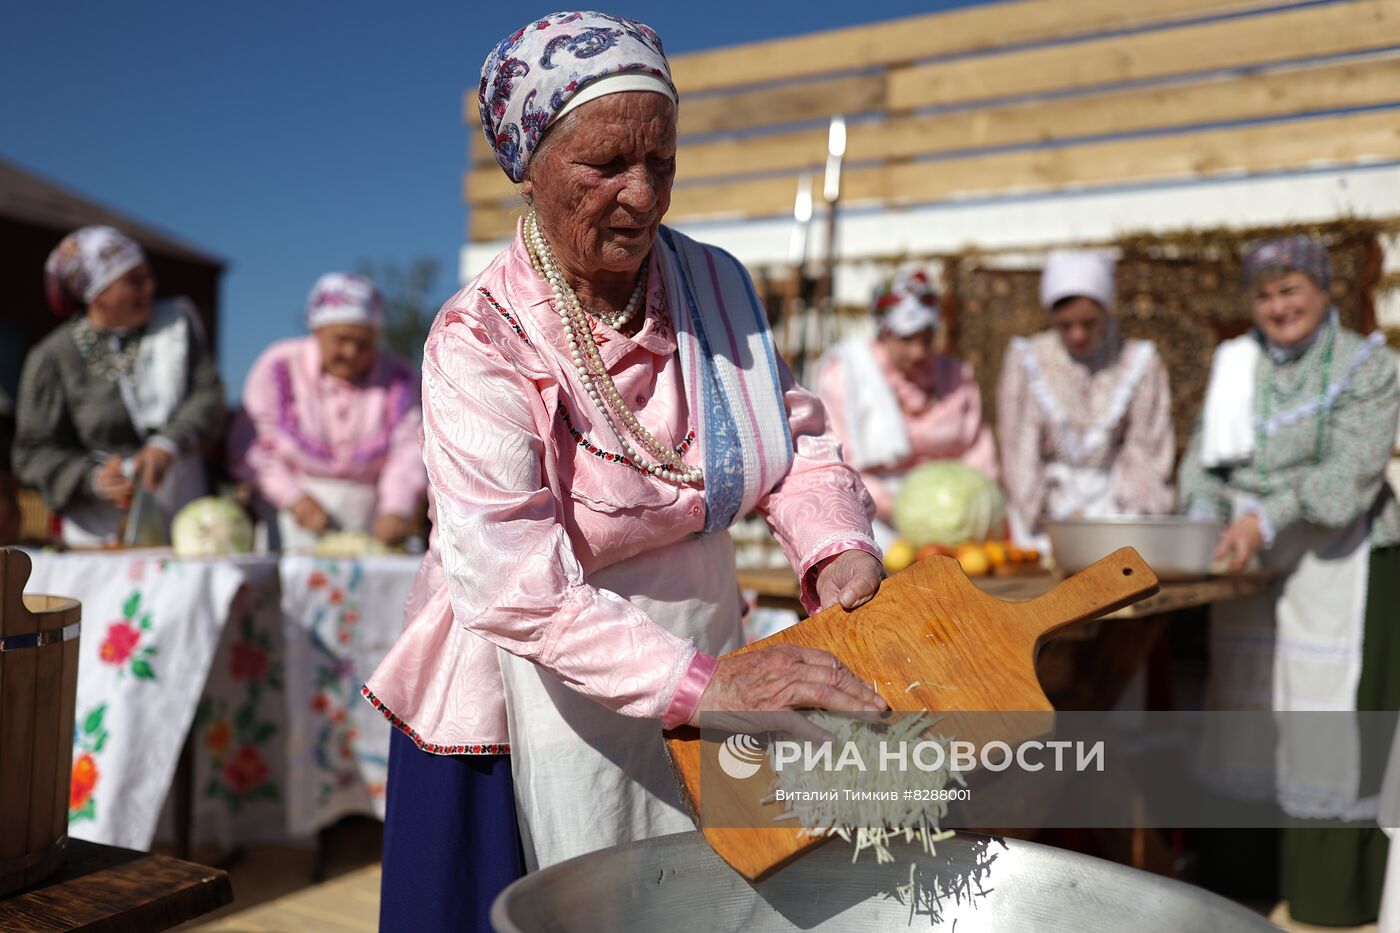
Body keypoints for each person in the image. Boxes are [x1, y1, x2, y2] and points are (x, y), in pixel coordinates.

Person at [364, 12, 888, 931]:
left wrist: (835, 547)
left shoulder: (717, 285)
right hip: (535, 673)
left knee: (710, 899)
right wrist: (709, 688)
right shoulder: (475, 338)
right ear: (528, 169)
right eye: (606, 165)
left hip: (707, 639)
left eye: (663, 161)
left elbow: (793, 440)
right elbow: (514, 585)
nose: (643, 196)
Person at [1179, 234, 1400, 927]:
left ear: (1324, 291)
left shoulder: (1370, 364)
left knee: (1322, 720)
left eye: (1291, 290)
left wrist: (1261, 520)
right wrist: (1206, 521)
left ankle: (1330, 895)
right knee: (1249, 714)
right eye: (1265, 295)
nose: (1279, 307)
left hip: (1342, 558)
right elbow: (1201, 464)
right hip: (1248, 564)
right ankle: (1241, 884)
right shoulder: (1237, 366)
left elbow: (1348, 477)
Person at [14, 226, 224, 546]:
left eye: (149, 276)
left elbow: (208, 395)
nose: (149, 288)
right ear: (96, 294)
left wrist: (168, 444)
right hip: (99, 525)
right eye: (134, 281)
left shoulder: (177, 326)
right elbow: (33, 452)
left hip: (185, 514)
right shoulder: (54, 357)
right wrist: (92, 479)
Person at [230, 273, 426, 550]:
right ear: (317, 331)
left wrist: (397, 507)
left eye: (364, 343)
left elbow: (408, 451)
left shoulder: (399, 377)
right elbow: (255, 448)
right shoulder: (279, 366)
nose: (351, 351)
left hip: (370, 522)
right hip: (289, 519)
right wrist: (293, 498)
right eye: (341, 339)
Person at [996, 250, 1175, 550]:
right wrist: (1049, 511)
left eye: (1089, 323)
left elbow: (1147, 445)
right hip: (1048, 508)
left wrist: (1129, 507)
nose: (1078, 335)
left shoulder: (1138, 362)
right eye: (1065, 325)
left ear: (1107, 311)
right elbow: (1020, 449)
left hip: (1116, 504)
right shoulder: (1028, 361)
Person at [818, 270, 998, 548]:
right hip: (874, 520)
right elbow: (839, 461)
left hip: (957, 524)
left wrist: (971, 506)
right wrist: (904, 506)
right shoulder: (846, 378)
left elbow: (977, 449)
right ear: (884, 332)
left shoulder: (955, 374)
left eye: (926, 338)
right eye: (906, 339)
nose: (918, 352)